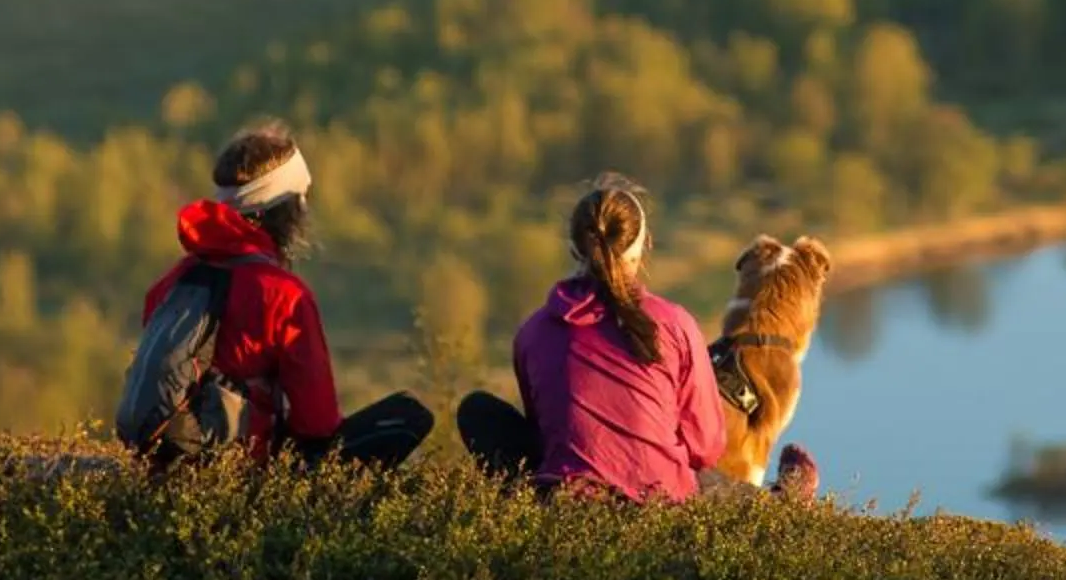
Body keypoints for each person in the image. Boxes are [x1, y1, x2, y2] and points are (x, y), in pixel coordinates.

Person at [458, 174, 815, 501]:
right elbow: (706, 447)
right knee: (728, 493)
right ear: (645, 246)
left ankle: (521, 499)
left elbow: (545, 427)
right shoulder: (675, 324)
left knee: (476, 411)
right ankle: (786, 500)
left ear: (573, 249)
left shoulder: (532, 332)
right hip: (661, 500)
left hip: (565, 499)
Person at [135, 119, 433, 469]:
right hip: (247, 466)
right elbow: (317, 422)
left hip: (167, 461)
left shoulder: (173, 281)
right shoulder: (284, 295)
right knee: (408, 415)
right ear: (292, 210)